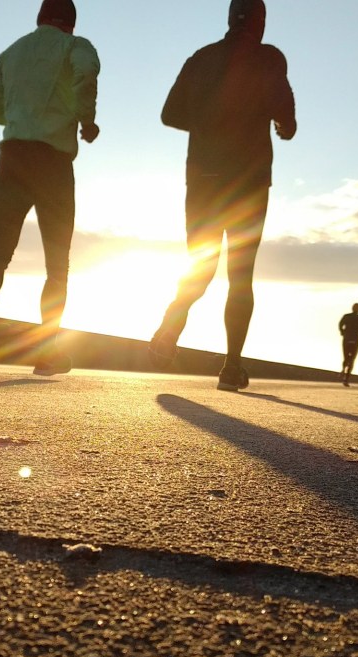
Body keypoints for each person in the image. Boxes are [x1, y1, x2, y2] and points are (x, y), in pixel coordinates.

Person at [146, 0, 296, 392]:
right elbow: (287, 117)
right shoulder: (269, 59)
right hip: (248, 182)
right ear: (260, 22)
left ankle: (170, 326)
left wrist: (210, 120)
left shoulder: (201, 58)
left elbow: (169, 114)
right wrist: (281, 123)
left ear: (230, 20)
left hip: (203, 179)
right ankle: (231, 367)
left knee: (202, 264)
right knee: (240, 275)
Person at [0, 0, 101, 378]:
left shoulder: (13, 51)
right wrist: (85, 119)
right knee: (57, 265)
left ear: (39, 19)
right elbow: (85, 75)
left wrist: (23, 113)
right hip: (53, 164)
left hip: (12, 158)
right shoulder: (77, 47)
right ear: (70, 24)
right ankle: (47, 352)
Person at [337, 302, 358, 386]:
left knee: (346, 357)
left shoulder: (346, 316)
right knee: (352, 360)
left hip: (346, 339)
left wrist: (342, 332)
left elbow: (340, 324)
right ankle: (346, 379)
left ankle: (343, 368)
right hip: (356, 341)